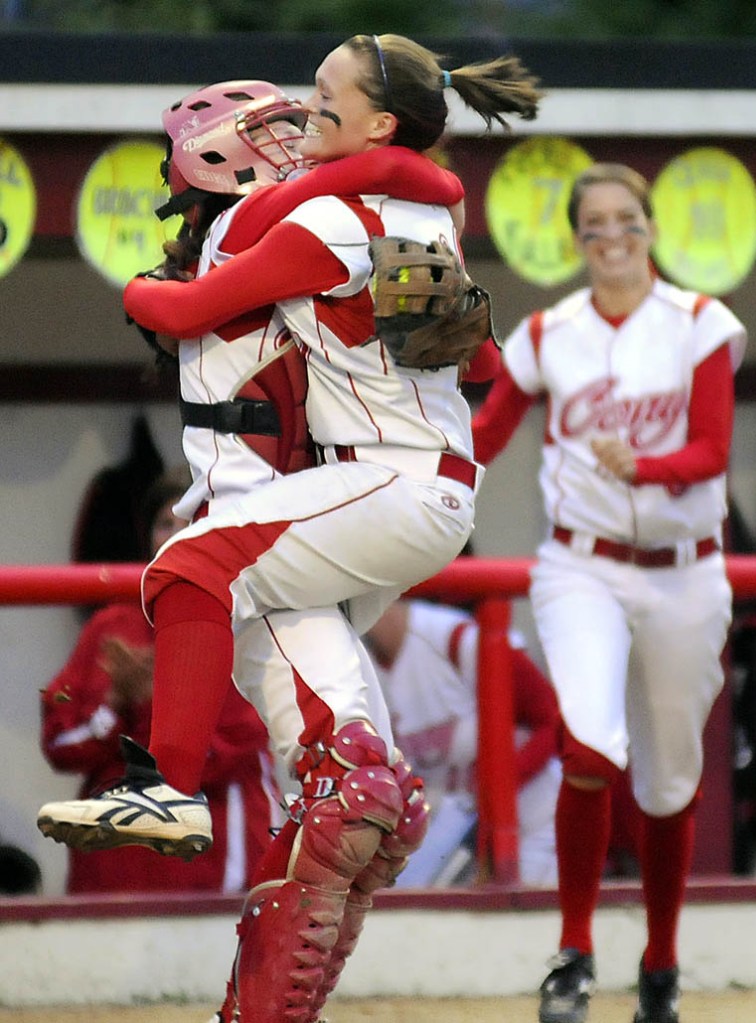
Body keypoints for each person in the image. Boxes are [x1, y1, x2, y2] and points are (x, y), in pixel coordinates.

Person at [38, 37, 542, 1023]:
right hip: (385, 496)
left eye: (319, 101)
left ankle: (167, 788)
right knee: (350, 797)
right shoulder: (412, 211)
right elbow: (490, 377)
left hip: (358, 494)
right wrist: (463, 455)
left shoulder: (319, 215)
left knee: (186, 564)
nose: (297, 121)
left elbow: (187, 304)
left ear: (376, 122)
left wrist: (146, 287)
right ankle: (266, 1002)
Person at [472, 163, 747, 1023]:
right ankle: (575, 951)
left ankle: (659, 961)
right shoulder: (551, 330)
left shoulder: (700, 322)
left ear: (651, 227)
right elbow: (484, 434)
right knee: (589, 746)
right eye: (594, 224)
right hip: (580, 564)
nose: (613, 236)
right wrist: (401, 428)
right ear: (577, 239)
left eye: (626, 219)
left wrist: (649, 466)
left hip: (684, 569)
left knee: (668, 782)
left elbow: (708, 450)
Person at [40, 468, 280, 894]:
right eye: (163, 524)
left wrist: (155, 707)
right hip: (112, 872)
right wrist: (116, 702)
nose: (174, 535)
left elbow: (231, 748)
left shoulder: (247, 622)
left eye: (190, 523)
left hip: (213, 862)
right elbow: (59, 743)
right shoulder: (112, 625)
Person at [364, 597, 561, 887]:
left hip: (536, 817)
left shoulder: (453, 639)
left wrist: (498, 793)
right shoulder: (361, 664)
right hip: (462, 828)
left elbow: (551, 721)